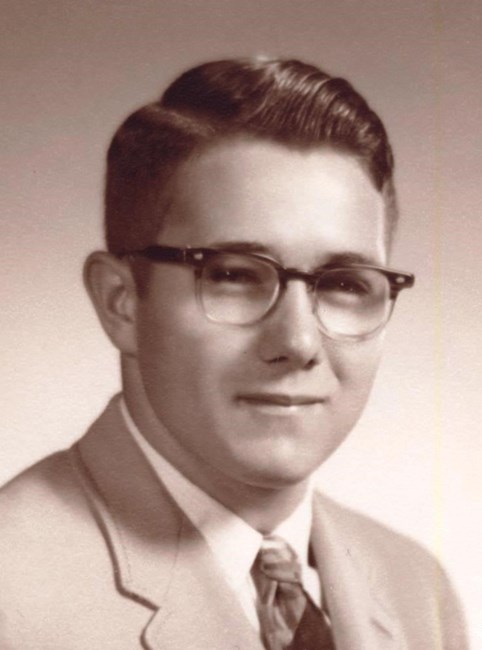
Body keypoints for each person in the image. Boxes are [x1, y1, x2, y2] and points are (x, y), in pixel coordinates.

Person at [0, 58, 467, 649]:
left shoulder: (417, 589)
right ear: (122, 303)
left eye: (345, 283)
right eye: (233, 275)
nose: (297, 343)